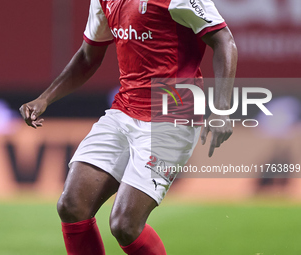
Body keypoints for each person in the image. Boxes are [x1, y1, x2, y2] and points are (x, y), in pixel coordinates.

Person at [19, 0, 237, 254]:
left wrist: (222, 109)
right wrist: (44, 98)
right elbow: (88, 57)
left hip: (172, 117)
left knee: (124, 225)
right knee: (71, 205)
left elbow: (224, 41)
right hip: (123, 111)